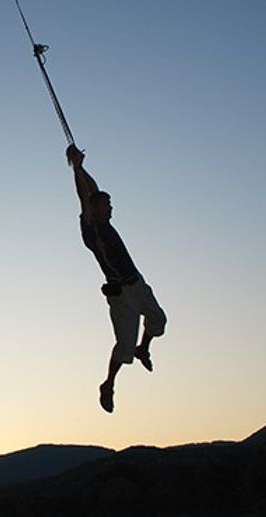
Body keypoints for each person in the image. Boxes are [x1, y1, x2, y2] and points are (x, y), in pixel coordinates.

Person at [67, 144, 167, 413]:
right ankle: (108, 385)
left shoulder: (105, 224)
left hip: (137, 283)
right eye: (107, 205)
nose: (111, 208)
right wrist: (76, 168)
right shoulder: (91, 230)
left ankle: (143, 348)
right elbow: (84, 196)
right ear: (96, 209)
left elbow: (92, 189)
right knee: (124, 347)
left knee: (158, 320)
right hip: (121, 295)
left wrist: (82, 168)